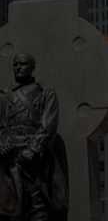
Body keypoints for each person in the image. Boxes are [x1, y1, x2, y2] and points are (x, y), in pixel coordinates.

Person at [0, 53, 68, 220]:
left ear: (32, 67)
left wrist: (33, 149)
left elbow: (48, 124)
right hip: (10, 159)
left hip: (36, 160)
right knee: (11, 206)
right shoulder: (4, 97)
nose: (18, 68)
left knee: (39, 204)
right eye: (15, 64)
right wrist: (2, 144)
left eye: (22, 64)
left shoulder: (46, 94)